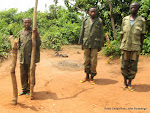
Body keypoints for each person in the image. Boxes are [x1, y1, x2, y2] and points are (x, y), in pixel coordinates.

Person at [120, 2, 146, 91]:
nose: (133, 9)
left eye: (135, 7)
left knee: (133, 65)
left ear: (138, 8)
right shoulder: (125, 19)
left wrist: (141, 47)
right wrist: (121, 44)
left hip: (135, 47)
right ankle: (124, 82)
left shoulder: (141, 20)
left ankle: (130, 82)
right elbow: (122, 34)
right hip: (125, 46)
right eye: (131, 8)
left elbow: (142, 35)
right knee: (124, 64)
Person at [79, 6, 104, 85]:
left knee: (93, 61)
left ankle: (92, 76)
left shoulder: (99, 21)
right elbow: (82, 32)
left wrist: (100, 45)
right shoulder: (85, 21)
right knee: (86, 60)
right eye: (91, 11)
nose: (93, 13)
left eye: (94, 12)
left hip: (95, 44)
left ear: (96, 13)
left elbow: (101, 33)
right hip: (86, 43)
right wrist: (81, 43)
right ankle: (86, 76)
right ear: (89, 12)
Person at [18, 18, 41, 95]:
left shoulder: (34, 33)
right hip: (22, 58)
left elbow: (38, 44)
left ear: (31, 23)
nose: (26, 24)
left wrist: (37, 35)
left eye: (28, 22)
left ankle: (29, 89)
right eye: (25, 22)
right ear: (23, 23)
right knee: (23, 73)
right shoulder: (21, 33)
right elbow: (19, 45)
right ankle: (24, 88)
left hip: (31, 57)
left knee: (30, 73)